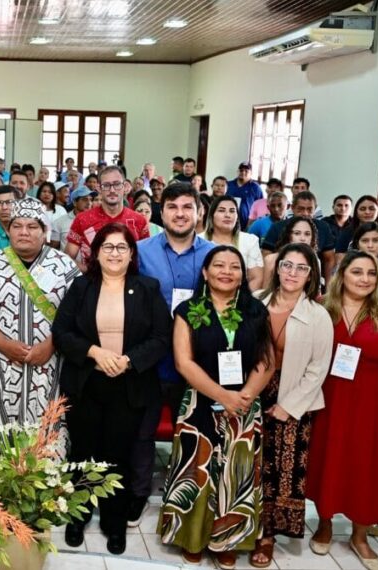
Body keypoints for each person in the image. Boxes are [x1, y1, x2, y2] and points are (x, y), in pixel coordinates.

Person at [52, 223, 171, 555]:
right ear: (96, 253)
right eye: (108, 247)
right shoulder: (81, 287)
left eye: (121, 247)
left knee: (118, 456)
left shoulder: (147, 287)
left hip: (130, 383)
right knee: (83, 453)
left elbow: (162, 336)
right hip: (87, 382)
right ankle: (79, 514)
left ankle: (113, 521)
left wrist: (130, 359)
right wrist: (95, 353)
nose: (115, 253)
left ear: (131, 254)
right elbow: (62, 332)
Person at [158, 245, 275, 568]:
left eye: (234, 267)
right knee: (197, 472)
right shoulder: (187, 310)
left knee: (236, 475)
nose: (227, 271)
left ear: (242, 275)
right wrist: (222, 395)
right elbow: (183, 362)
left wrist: (246, 396)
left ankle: (229, 539)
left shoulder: (256, 311)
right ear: (205, 273)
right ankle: (192, 536)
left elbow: (267, 361)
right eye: (219, 265)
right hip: (198, 401)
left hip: (245, 405)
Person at [306, 251, 378, 570]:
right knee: (327, 461)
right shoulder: (322, 307)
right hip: (328, 402)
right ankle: (325, 525)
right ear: (342, 274)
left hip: (374, 407)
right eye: (357, 271)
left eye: (371, 273)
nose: (364, 279)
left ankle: (360, 535)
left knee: (369, 469)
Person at [0, 198, 79, 432]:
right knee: (0, 441)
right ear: (8, 229)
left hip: (50, 365)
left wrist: (50, 345)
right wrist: (3, 344)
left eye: (32, 227)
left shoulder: (64, 266)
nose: (24, 232)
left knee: (47, 437)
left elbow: (77, 315)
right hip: (1, 365)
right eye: (17, 226)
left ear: (45, 231)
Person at [134, 183, 215, 524]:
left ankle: (189, 499)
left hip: (196, 361)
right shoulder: (140, 250)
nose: (180, 213)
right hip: (149, 360)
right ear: (161, 212)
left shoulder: (214, 254)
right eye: (172, 207)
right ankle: (138, 494)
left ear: (199, 212)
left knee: (194, 433)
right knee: (142, 432)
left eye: (187, 207)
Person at [250, 243, 334, 568]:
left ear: (311, 275)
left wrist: (288, 405)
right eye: (287, 265)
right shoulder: (255, 302)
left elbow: (318, 368)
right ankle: (241, 523)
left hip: (294, 398)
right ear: (277, 267)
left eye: (301, 268)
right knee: (250, 463)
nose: (292, 273)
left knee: (280, 469)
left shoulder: (318, 315)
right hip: (251, 391)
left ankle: (268, 534)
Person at [66, 166, 150, 272]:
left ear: (125, 187)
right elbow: (67, 258)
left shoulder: (139, 220)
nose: (112, 190)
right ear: (99, 188)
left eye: (117, 184)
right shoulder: (82, 219)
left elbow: (147, 259)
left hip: (130, 283)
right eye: (106, 185)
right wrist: (89, 272)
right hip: (93, 283)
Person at [200, 195, 263, 290]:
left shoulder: (249, 240)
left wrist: (242, 300)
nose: (227, 215)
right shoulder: (198, 240)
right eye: (221, 210)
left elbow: (256, 277)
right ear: (212, 215)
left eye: (232, 211)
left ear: (237, 217)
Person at [335, 195, 378, 266]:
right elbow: (340, 261)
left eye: (372, 209)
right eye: (362, 209)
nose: (367, 212)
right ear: (356, 212)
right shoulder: (346, 232)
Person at [261, 216, 320, 290]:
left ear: (312, 238)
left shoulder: (315, 261)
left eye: (307, 234)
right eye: (297, 233)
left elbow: (315, 293)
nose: (302, 238)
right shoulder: (270, 260)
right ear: (289, 236)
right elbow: (265, 292)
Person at [225, 162, 263, 230]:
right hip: (228, 220)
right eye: (241, 170)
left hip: (246, 224)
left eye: (246, 171)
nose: (243, 172)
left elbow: (260, 206)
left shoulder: (255, 188)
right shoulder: (228, 185)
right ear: (237, 171)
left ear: (251, 173)